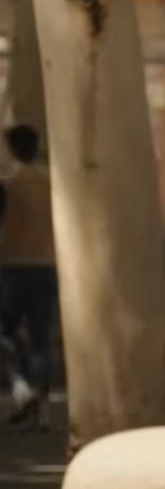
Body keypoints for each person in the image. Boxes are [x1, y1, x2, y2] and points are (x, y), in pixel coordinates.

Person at [0, 124, 58, 431]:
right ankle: (44, 408)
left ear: (11, 149)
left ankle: (21, 388)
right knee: (42, 341)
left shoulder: (8, 186)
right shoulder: (54, 184)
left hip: (13, 268)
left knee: (5, 333)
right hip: (47, 266)